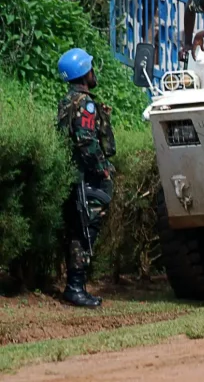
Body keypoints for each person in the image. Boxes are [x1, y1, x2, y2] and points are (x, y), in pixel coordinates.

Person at [56, 48, 116, 308]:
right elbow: (86, 141)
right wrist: (103, 169)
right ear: (84, 72)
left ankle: (75, 285)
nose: (94, 72)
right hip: (86, 179)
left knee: (78, 230)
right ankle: (75, 288)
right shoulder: (85, 103)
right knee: (85, 231)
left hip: (72, 176)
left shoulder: (67, 101)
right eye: (90, 68)